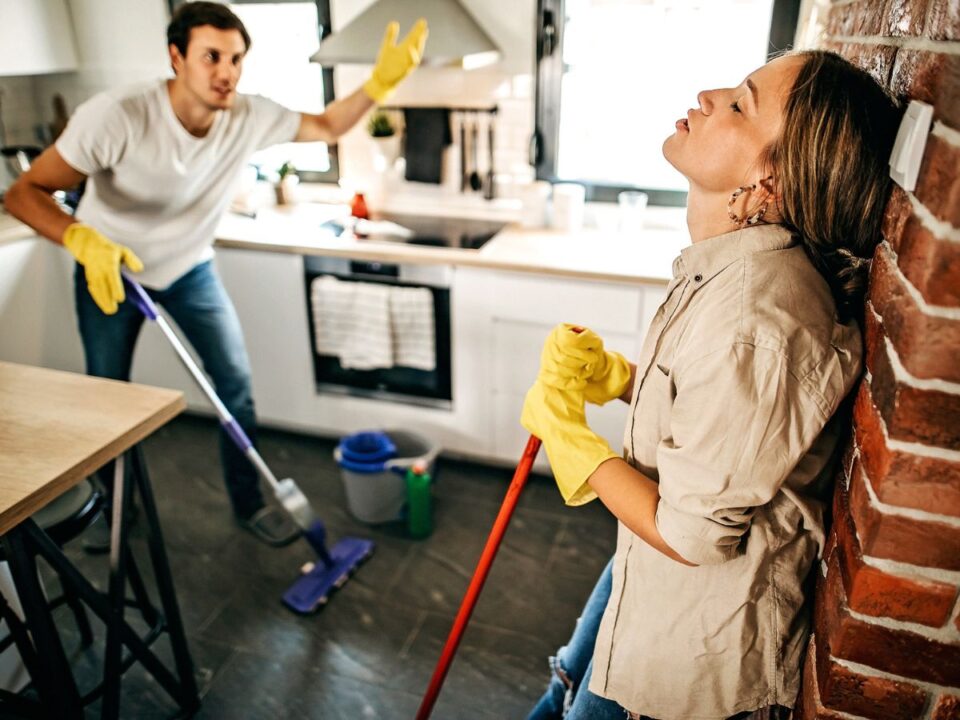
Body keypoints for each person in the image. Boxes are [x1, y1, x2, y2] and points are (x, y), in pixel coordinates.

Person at [521, 49, 901, 720]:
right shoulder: (730, 272)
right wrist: (621, 381)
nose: (707, 93)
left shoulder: (759, 321)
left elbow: (695, 534)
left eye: (739, 103)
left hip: (686, 656)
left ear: (769, 183)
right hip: (646, 580)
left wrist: (570, 440)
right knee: (561, 691)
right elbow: (714, 419)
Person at [4, 2, 428, 547]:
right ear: (176, 57)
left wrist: (379, 82)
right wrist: (81, 239)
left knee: (235, 387)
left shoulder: (247, 116)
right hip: (109, 271)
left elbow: (326, 126)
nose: (226, 72)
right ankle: (114, 515)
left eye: (236, 59)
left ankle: (250, 504)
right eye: (211, 57)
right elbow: (23, 193)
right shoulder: (118, 116)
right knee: (107, 403)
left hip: (188, 269)